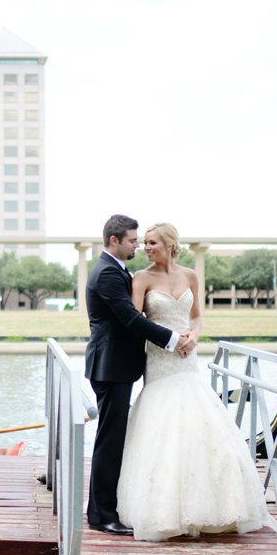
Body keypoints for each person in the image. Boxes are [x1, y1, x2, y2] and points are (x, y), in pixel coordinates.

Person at [115, 222, 275, 541]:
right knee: (164, 426)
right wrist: (170, 339)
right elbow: (134, 321)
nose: (146, 247)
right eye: (144, 242)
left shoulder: (190, 275)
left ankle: (214, 507)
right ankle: (163, 511)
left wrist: (194, 336)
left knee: (200, 423)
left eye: (152, 242)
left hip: (188, 358)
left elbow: (197, 316)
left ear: (170, 244)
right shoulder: (141, 278)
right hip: (160, 359)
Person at [84, 215, 196, 535]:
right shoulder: (107, 273)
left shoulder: (118, 269)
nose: (138, 246)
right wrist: (173, 339)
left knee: (114, 439)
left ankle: (107, 508)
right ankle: (102, 515)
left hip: (118, 366)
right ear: (115, 240)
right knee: (110, 442)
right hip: (110, 367)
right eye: (133, 241)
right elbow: (131, 319)